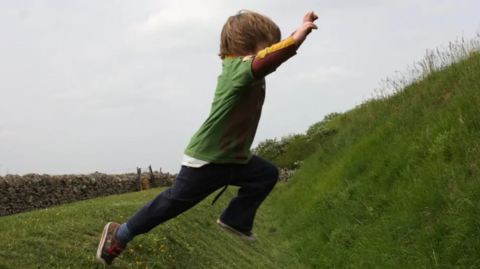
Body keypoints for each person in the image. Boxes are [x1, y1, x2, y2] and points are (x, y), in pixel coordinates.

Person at [96, 9, 318, 265]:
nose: (273, 50)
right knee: (172, 204)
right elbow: (266, 60)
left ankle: (235, 219)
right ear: (246, 45)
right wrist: (297, 39)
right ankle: (119, 234)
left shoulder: (250, 71)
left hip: (235, 159)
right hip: (208, 159)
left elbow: (269, 59)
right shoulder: (237, 68)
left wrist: (295, 33)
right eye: (268, 45)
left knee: (266, 174)